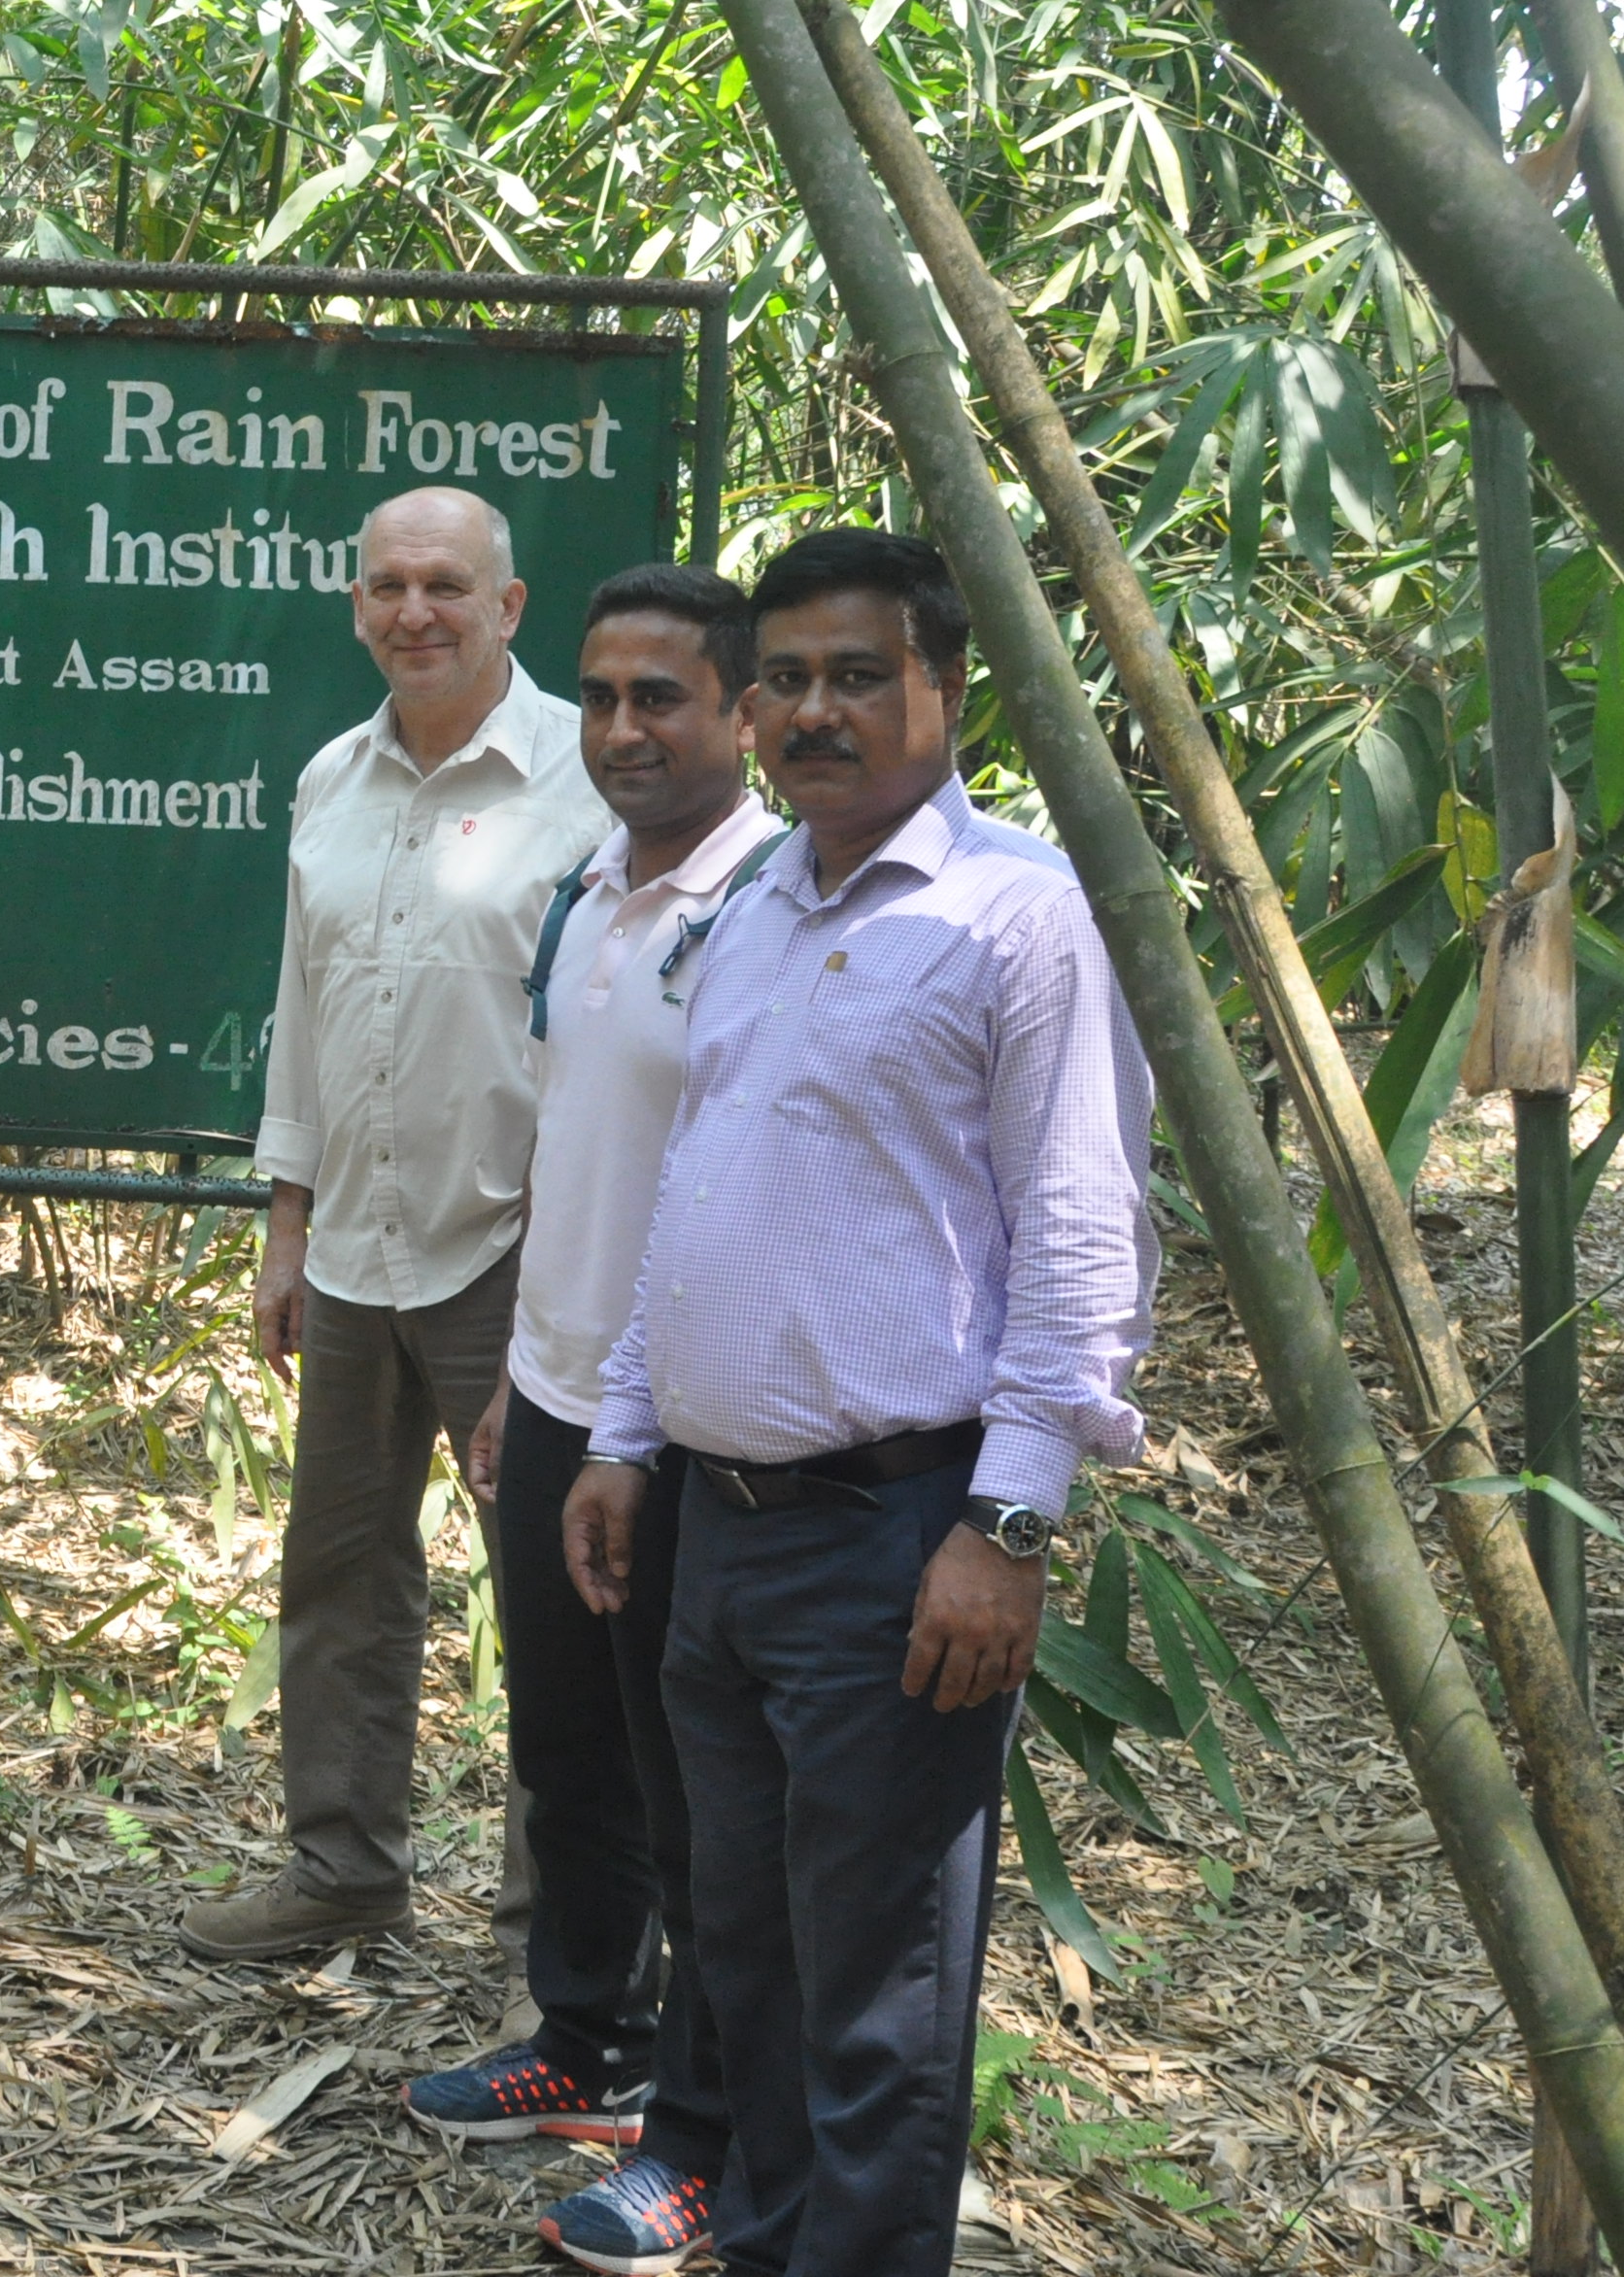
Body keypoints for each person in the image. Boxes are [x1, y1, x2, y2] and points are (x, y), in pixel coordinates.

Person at [567, 528, 1155, 2277]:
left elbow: (1078, 1236)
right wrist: (619, 1433)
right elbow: (697, 1184)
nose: (817, 711)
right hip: (718, 1530)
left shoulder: (1014, 913)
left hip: (901, 1535)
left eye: (858, 676)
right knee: (744, 1959)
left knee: (878, 1996)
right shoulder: (760, 904)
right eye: (790, 681)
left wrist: (1010, 1523)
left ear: (943, 692)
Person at [400, 564, 778, 2276]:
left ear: (742, 712)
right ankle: (588, 2035)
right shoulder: (586, 896)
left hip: (692, 1423)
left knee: (697, 1785)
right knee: (567, 1750)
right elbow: (577, 1152)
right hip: (555, 1389)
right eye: (605, 697)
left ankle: (706, 2138)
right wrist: (516, 1379)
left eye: (664, 699)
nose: (625, 730)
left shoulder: (774, 906)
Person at [183, 487, 608, 1965]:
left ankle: (554, 1932)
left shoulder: (585, 779)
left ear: (510, 606)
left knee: (555, 1599)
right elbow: (305, 1007)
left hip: (518, 1243)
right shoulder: (330, 780)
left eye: (445, 585)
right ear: (356, 604)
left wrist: (571, 1275)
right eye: (385, 586)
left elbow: (605, 1048)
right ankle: (343, 1868)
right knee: (342, 1570)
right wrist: (286, 1223)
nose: (411, 611)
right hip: (356, 1241)